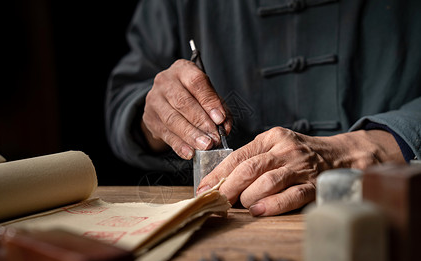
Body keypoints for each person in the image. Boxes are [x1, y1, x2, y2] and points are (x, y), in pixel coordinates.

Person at [105, 0, 421, 216]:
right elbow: (126, 96)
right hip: (236, 225)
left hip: (395, 214)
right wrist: (163, 117)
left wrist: (370, 147)